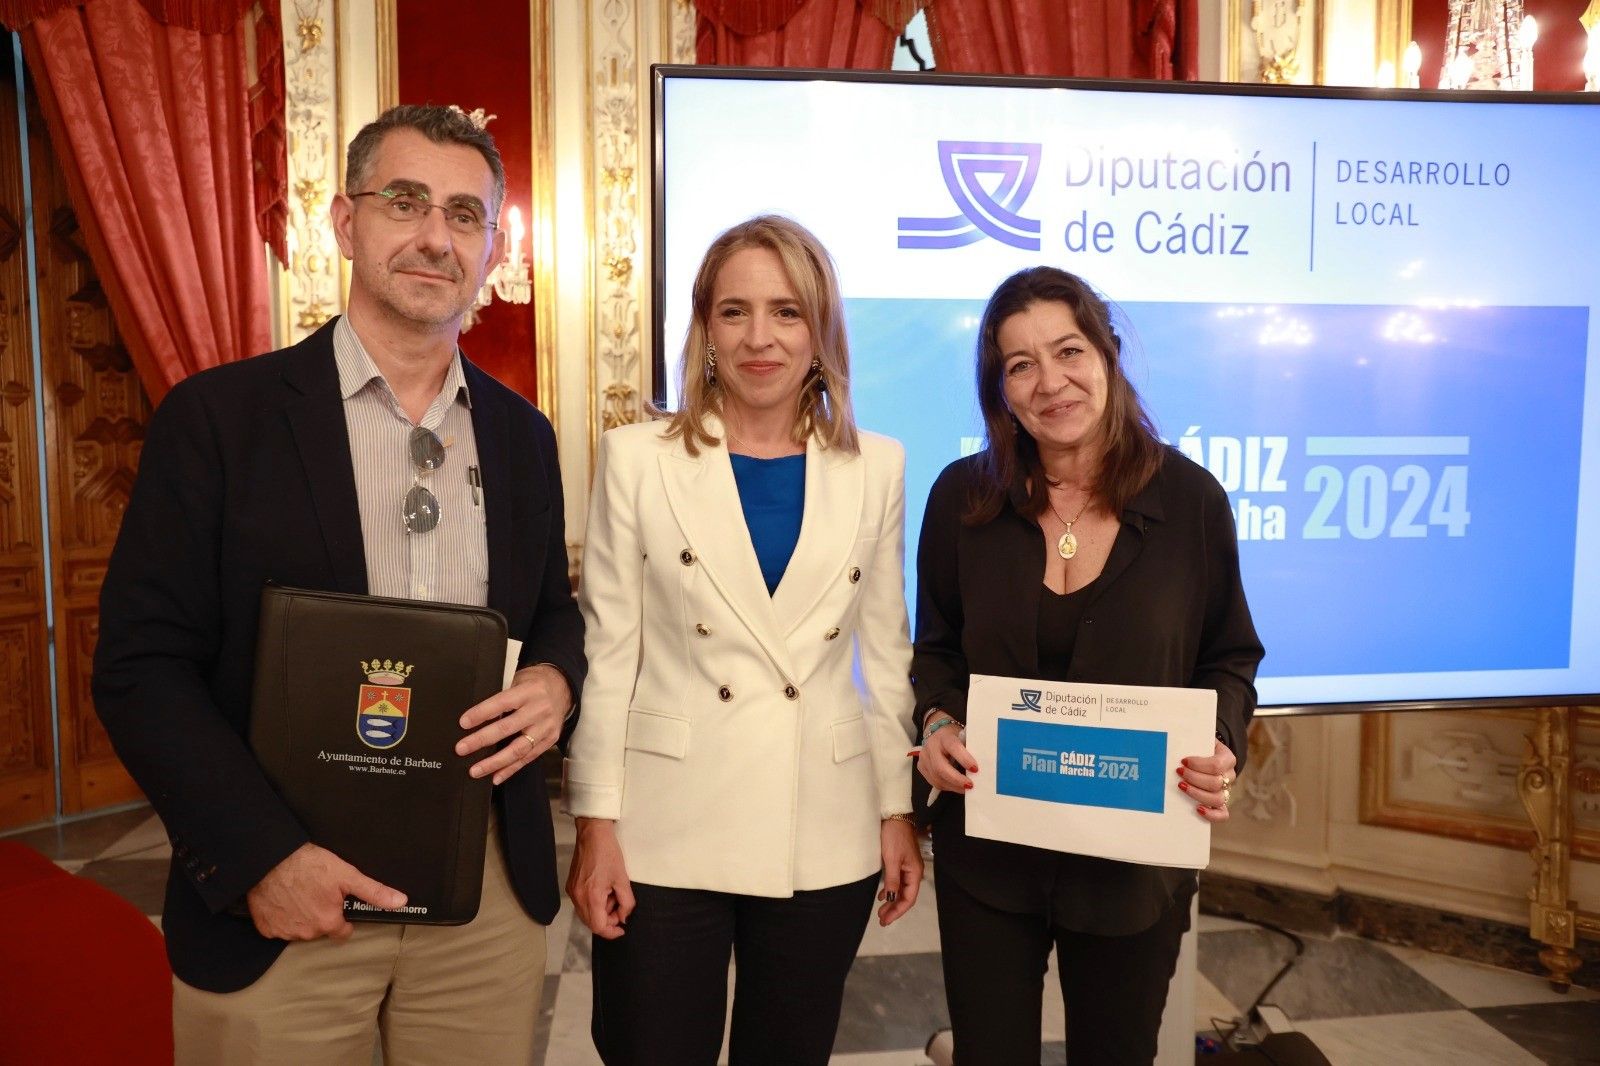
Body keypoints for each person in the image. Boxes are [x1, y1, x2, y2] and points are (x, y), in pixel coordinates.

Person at [91, 104, 585, 1064]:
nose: (435, 237)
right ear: (346, 222)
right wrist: (262, 859)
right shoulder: (218, 420)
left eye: (465, 215)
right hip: (284, 904)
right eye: (405, 202)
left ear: (491, 249)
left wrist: (558, 679)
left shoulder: (524, 436)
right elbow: (141, 668)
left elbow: (553, 614)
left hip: (481, 902)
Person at [563, 215, 922, 1065]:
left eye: (787, 311)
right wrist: (594, 825)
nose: (760, 337)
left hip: (824, 826)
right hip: (663, 825)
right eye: (735, 311)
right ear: (705, 330)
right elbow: (608, 656)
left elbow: (887, 657)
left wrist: (898, 811)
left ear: (820, 330)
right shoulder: (636, 458)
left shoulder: (877, 466)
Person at [913, 266, 1264, 1065]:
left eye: (1069, 351)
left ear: (1108, 354)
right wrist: (937, 721)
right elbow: (937, 648)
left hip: (1134, 864)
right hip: (989, 854)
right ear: (1000, 391)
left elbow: (1230, 655)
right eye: (1020, 365)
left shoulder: (1191, 500)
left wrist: (1218, 740)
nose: (1050, 382)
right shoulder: (963, 499)